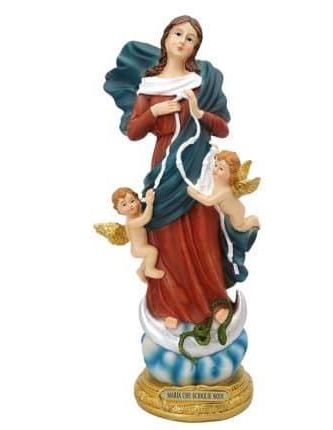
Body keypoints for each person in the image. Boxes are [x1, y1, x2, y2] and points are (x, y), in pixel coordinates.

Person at [104, 16, 258, 329]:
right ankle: (169, 304)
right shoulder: (150, 87)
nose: (182, 41)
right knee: (168, 239)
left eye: (190, 39)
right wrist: (153, 112)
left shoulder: (203, 82)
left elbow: (223, 128)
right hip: (165, 169)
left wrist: (200, 114)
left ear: (195, 48)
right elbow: (133, 132)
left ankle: (214, 302)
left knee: (203, 234)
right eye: (178, 33)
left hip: (198, 167)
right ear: (165, 38)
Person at [187, 150, 261, 232]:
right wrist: (214, 150)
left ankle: (253, 220)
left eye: (221, 169)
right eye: (215, 165)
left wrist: (194, 193)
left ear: (231, 174)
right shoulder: (218, 181)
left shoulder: (225, 191)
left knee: (239, 227)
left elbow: (209, 201)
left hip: (236, 213)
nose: (215, 170)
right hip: (228, 212)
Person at [112, 187, 164, 282]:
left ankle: (141, 270)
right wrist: (149, 204)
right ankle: (149, 270)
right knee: (152, 252)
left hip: (140, 247)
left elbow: (141, 212)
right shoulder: (131, 222)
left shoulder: (135, 215)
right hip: (138, 249)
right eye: (124, 204)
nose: (130, 206)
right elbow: (146, 218)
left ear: (137, 200)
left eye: (132, 201)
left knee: (148, 258)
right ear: (119, 211)